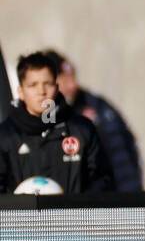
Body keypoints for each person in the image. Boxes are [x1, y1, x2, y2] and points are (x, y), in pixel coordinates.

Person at [0, 53, 113, 194]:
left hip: (73, 215)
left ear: (57, 87)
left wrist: (75, 208)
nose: (41, 92)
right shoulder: (6, 136)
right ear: (21, 91)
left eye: (47, 84)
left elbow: (102, 181)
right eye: (33, 85)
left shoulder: (81, 130)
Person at [44, 50, 143, 191]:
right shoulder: (40, 117)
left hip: (109, 199)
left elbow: (122, 155)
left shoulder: (97, 108)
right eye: (65, 80)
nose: (72, 85)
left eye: (73, 77)